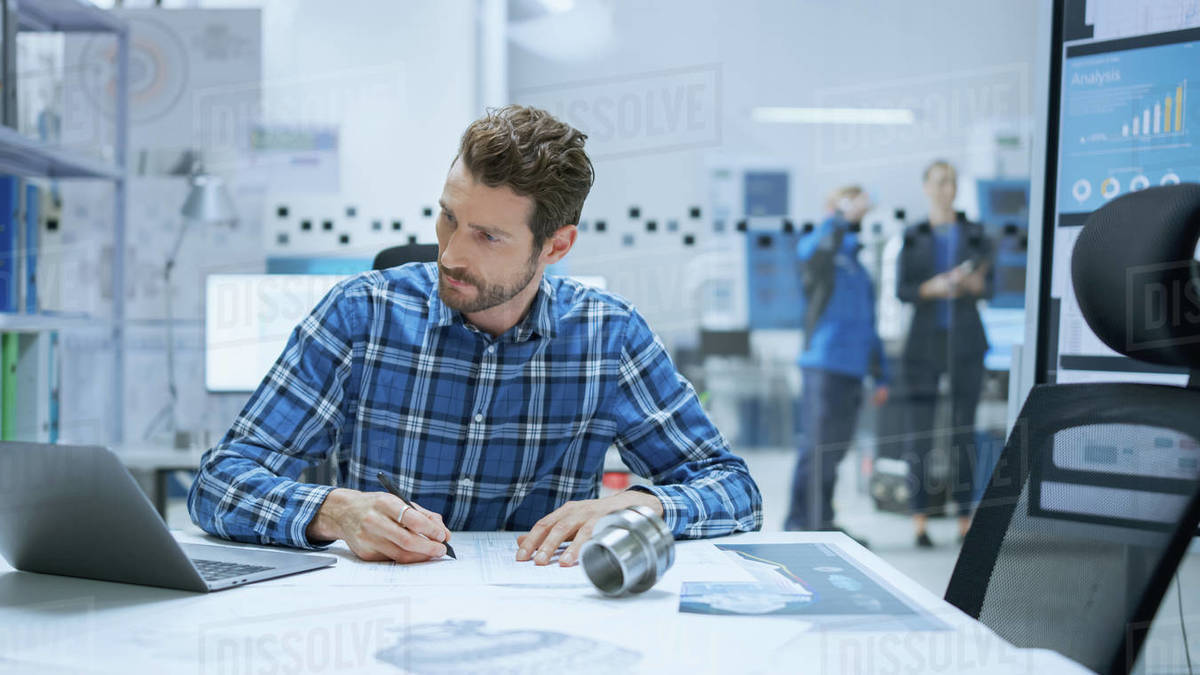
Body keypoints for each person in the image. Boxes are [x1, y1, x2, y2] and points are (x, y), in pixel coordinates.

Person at [188, 105, 762, 567]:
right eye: (448, 218)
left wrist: (648, 505)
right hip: (376, 619)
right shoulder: (360, 314)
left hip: (550, 625)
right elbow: (218, 483)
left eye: (488, 236)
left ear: (556, 246)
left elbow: (734, 489)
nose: (451, 254)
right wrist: (333, 512)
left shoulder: (609, 336)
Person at [784, 186, 889, 540]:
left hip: (854, 372)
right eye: (847, 204)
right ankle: (805, 524)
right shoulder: (822, 253)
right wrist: (838, 217)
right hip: (824, 366)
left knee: (834, 452)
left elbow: (871, 327)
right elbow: (811, 252)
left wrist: (882, 374)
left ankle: (821, 521)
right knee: (816, 448)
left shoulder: (859, 268)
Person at [896, 160, 992, 548]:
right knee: (920, 431)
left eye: (950, 182)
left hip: (966, 343)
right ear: (925, 187)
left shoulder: (975, 233)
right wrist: (929, 289)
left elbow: (993, 286)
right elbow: (901, 290)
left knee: (963, 430)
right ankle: (920, 519)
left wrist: (972, 284)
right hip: (924, 346)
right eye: (938, 182)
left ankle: (965, 518)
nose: (945, 189)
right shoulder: (914, 234)